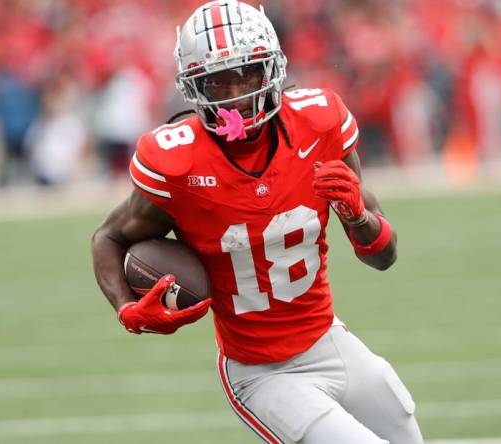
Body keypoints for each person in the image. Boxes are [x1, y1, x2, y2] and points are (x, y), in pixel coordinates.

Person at [91, 2, 423, 443]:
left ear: (272, 69)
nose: (234, 95)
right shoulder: (178, 163)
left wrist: (358, 217)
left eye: (246, 74)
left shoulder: (318, 124)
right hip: (260, 372)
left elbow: (385, 256)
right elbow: (109, 237)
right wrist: (126, 309)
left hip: (327, 339)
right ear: (193, 87)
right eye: (217, 81)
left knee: (405, 432)